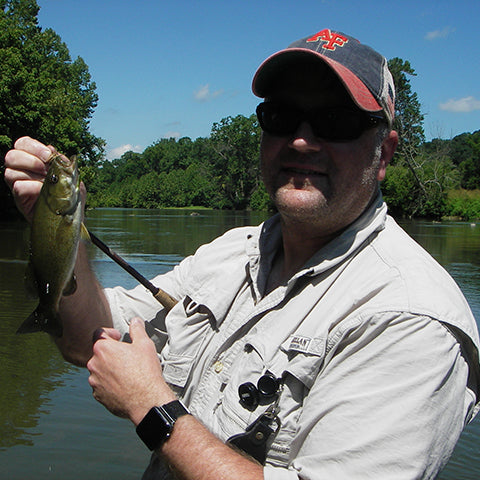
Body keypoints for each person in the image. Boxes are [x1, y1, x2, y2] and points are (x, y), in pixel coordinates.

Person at [4, 28, 480, 480]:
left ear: (385, 153)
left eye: (336, 122)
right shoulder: (232, 254)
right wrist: (55, 228)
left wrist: (154, 409)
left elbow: (146, 399)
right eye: (281, 116)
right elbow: (89, 337)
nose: (301, 139)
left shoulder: (411, 317)